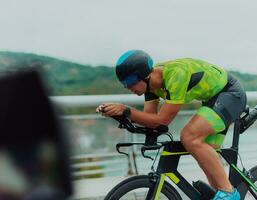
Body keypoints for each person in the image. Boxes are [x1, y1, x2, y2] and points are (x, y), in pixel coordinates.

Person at [96, 50, 247, 200]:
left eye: (129, 82)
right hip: (213, 99)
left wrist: (126, 109)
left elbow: (162, 121)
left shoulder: (176, 75)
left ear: (145, 75)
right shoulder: (151, 87)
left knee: (189, 137)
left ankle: (229, 193)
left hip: (230, 94)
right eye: (124, 84)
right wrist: (119, 114)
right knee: (206, 158)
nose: (128, 87)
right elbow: (150, 120)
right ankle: (225, 192)